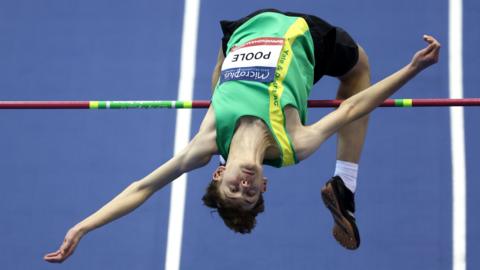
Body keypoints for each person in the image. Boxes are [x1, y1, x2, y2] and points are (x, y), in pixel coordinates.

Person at [44, 9, 440, 263]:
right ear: (265, 184)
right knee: (357, 75)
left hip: (243, 31)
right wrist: (412, 70)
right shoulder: (293, 145)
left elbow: (141, 188)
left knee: (217, 84)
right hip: (306, 37)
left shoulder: (208, 142)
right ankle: (346, 184)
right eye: (252, 194)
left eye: (235, 190)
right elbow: (354, 108)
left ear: (219, 174)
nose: (245, 187)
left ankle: (345, 188)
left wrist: (82, 227)